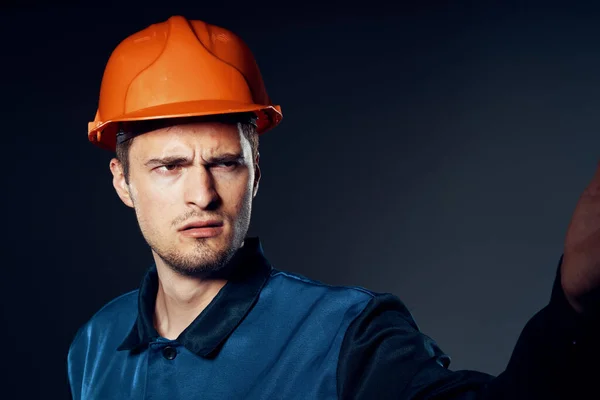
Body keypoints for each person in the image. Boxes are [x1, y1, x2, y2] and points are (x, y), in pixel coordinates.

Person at [67, 15, 600, 399]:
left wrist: (570, 316)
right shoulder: (94, 345)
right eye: (169, 167)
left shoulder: (350, 334)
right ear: (123, 182)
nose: (202, 194)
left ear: (256, 174)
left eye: (225, 163)